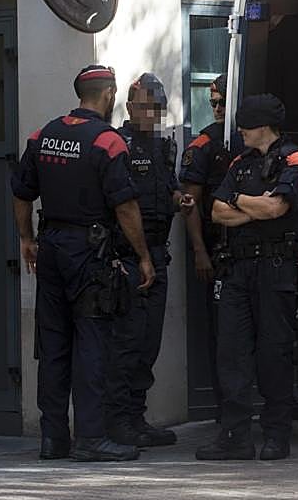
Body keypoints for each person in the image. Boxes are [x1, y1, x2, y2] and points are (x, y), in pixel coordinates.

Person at [11, 65, 156, 463]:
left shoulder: (43, 135)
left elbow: (21, 192)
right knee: (92, 344)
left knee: (53, 346)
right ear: (108, 94)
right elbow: (125, 206)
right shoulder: (108, 142)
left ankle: (53, 438)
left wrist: (26, 238)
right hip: (89, 253)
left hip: (51, 248)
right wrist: (143, 256)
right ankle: (91, 438)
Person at [195, 94, 298, 462]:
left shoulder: (296, 161)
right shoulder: (240, 162)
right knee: (231, 353)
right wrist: (255, 205)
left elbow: (277, 206)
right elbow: (216, 211)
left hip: (276, 268)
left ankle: (277, 435)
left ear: (262, 125)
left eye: (245, 124)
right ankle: (235, 436)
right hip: (238, 269)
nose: (240, 130)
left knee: (273, 353)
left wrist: (241, 202)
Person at [107, 73, 191, 448]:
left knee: (149, 344)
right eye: (144, 107)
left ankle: (136, 418)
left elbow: (168, 189)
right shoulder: (118, 145)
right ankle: (119, 421)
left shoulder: (161, 146)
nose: (151, 115)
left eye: (157, 109)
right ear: (129, 107)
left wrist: (180, 200)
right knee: (127, 342)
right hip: (127, 257)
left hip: (157, 252)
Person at [178, 73, 238, 416]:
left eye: (221, 102)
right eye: (211, 102)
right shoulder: (203, 144)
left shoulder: (253, 142)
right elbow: (190, 203)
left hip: (252, 251)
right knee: (221, 334)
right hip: (217, 250)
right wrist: (200, 251)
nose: (216, 108)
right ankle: (223, 408)